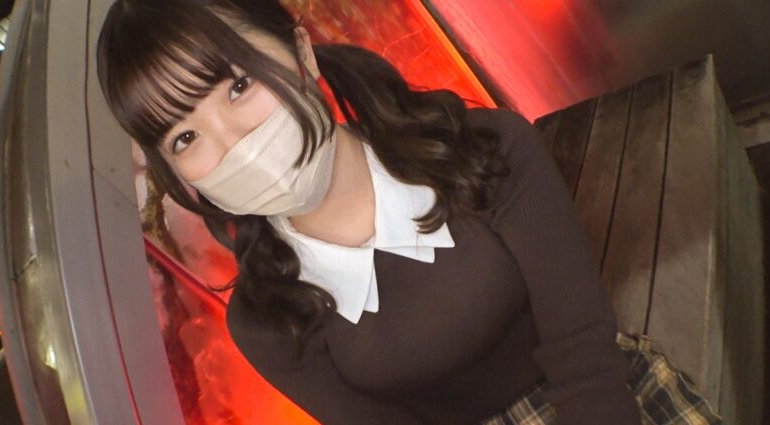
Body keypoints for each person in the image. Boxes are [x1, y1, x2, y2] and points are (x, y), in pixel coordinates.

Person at [95, 1, 724, 424]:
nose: (232, 142)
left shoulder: (485, 149)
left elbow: (582, 347)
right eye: (185, 137)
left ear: (302, 55)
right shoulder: (266, 322)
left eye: (238, 85)